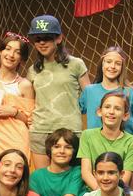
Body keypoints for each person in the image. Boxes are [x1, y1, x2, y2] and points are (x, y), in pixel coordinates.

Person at [27, 15, 90, 169]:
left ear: (59, 38)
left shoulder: (76, 64)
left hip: (69, 130)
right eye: (37, 39)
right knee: (43, 180)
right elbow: (29, 101)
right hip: (40, 130)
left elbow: (90, 96)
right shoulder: (32, 70)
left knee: (72, 179)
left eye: (47, 38)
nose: (42, 42)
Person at [79, 46, 133, 148]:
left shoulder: (129, 92)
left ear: (122, 67)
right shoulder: (89, 91)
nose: (113, 66)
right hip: (96, 147)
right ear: (102, 64)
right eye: (109, 62)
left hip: (126, 148)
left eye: (118, 63)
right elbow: (75, 111)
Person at [78, 92, 133, 190]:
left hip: (118, 193)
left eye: (117, 108)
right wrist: (101, 192)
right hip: (92, 193)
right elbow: (86, 172)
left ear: (125, 115)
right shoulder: (87, 136)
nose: (111, 112)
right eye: (107, 107)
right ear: (99, 111)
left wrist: (110, 195)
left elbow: (125, 177)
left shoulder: (131, 142)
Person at [0, 33, 34, 167]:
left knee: (13, 172)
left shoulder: (25, 85)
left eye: (17, 52)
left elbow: (30, 120)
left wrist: (13, 112)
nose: (11, 55)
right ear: (0, 52)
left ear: (22, 59)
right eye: (7, 49)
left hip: (15, 138)